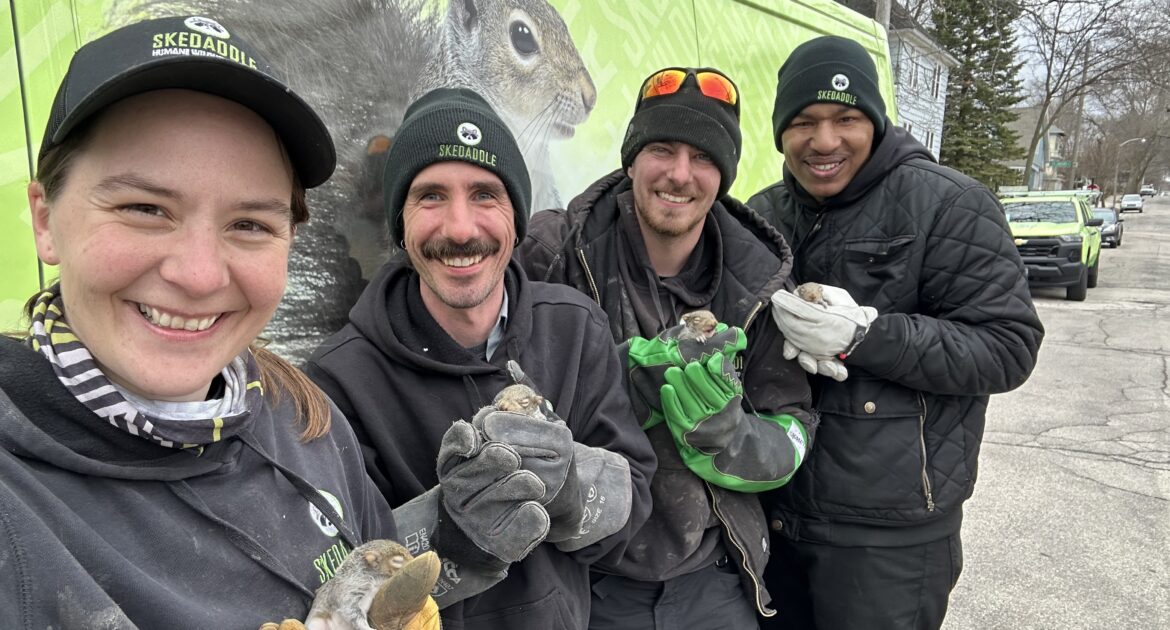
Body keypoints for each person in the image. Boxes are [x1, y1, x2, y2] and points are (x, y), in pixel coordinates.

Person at [0, 15, 441, 629]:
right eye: (145, 208)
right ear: (45, 220)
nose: (200, 275)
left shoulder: (307, 418)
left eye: (250, 224)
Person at [304, 87, 656, 630]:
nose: (461, 229)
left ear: (517, 216)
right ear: (400, 222)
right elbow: (343, 587)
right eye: (431, 196)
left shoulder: (575, 326)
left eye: (485, 194)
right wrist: (451, 535)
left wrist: (571, 490)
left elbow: (633, 510)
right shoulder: (337, 382)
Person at [747, 35, 1046, 629]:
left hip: (889, 537)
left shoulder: (948, 204)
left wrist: (865, 336)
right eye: (804, 121)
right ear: (782, 131)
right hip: (771, 511)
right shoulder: (762, 212)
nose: (824, 141)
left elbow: (1008, 347)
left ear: (876, 123)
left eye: (846, 118)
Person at [517, 67, 816, 629]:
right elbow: (496, 387)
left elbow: (796, 427)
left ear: (723, 176)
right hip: (583, 578)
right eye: (661, 149)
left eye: (703, 157)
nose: (680, 174)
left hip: (715, 581)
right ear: (632, 158)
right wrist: (616, 389)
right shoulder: (552, 251)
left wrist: (732, 440)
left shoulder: (761, 281)